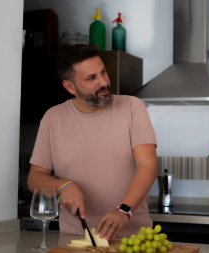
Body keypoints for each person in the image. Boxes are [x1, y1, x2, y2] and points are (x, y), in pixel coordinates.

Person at [27, 44, 158, 240]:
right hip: (75, 239)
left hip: (133, 239)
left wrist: (123, 210)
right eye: (92, 78)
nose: (104, 82)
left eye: (103, 72)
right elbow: (35, 178)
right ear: (70, 87)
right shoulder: (52, 118)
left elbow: (147, 165)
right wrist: (63, 186)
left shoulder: (133, 108)